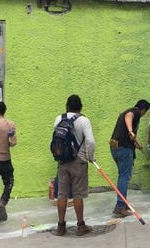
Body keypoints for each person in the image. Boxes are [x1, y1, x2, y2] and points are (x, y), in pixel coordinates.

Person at [51, 95, 95, 237]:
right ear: (80, 106)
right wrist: (90, 157)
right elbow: (90, 141)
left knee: (62, 194)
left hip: (62, 161)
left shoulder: (59, 119)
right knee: (78, 194)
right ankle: (81, 226)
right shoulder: (84, 120)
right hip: (79, 161)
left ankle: (61, 226)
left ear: (67, 106)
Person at [110, 99, 150, 217]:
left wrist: (137, 144)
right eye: (145, 112)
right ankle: (120, 206)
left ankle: (122, 202)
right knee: (124, 177)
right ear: (143, 109)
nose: (143, 115)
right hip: (123, 149)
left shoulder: (126, 112)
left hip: (115, 148)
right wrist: (131, 131)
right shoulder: (135, 112)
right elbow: (129, 116)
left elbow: (129, 136)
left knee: (122, 176)